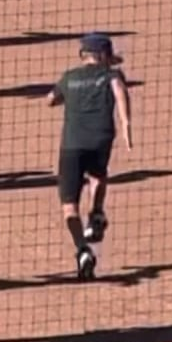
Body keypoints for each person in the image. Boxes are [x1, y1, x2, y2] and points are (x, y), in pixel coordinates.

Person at [46, 32, 132, 280]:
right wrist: (126, 124)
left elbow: (50, 99)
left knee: (69, 206)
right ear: (105, 56)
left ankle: (82, 250)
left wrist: (66, 95)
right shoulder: (111, 75)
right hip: (101, 138)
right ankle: (96, 212)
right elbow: (120, 92)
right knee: (98, 175)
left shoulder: (70, 77)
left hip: (72, 145)